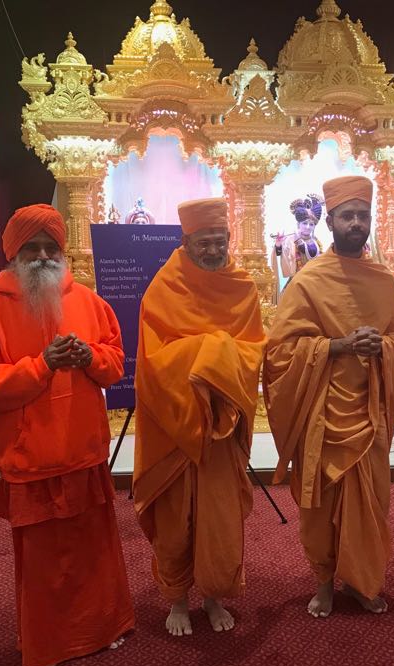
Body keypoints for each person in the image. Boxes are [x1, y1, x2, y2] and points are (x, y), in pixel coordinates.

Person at [0, 203, 134, 666]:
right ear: (13, 255)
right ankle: (50, 642)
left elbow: (116, 362)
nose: (41, 256)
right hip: (30, 456)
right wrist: (40, 366)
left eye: (50, 247)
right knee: (44, 561)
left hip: (83, 449)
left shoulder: (88, 301)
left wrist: (90, 357)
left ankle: (104, 628)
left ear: (62, 251)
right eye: (30, 248)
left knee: (94, 551)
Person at [264, 175, 394, 618]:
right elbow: (280, 351)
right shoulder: (309, 281)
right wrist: (337, 346)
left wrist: (382, 347)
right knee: (322, 505)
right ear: (330, 221)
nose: (356, 223)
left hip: (370, 410)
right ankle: (324, 582)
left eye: (363, 215)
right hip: (323, 412)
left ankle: (363, 581)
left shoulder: (384, 281)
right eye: (347, 216)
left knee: (371, 503)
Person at [133, 197, 265, 637]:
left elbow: (253, 349)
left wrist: (216, 359)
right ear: (185, 240)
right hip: (176, 425)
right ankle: (177, 600)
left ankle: (212, 596)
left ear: (229, 238)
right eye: (203, 242)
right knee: (176, 521)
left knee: (219, 517)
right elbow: (153, 361)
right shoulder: (164, 287)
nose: (212, 250)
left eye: (219, 241)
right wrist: (212, 352)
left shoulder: (241, 286)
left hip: (222, 425)